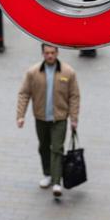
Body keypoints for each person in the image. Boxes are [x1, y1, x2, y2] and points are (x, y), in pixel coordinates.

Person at [17, 43, 81, 198]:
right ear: (42, 54)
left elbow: (74, 96)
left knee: (57, 148)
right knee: (44, 147)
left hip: (59, 118)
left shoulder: (68, 72)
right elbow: (24, 94)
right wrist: (21, 115)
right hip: (41, 117)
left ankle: (57, 181)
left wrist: (74, 118)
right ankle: (48, 173)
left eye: (52, 52)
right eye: (47, 53)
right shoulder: (33, 73)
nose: (50, 56)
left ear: (57, 53)